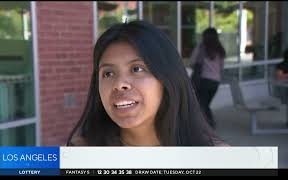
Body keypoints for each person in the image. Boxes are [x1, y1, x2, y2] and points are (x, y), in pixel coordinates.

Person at [67, 20, 225, 146]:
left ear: (167, 78)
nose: (119, 84)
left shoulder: (218, 159)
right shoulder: (79, 153)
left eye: (137, 69)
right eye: (108, 73)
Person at [190, 28, 225, 130]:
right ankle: (208, 124)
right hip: (215, 82)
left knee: (202, 104)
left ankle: (209, 124)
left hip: (204, 81)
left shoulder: (202, 48)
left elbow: (192, 61)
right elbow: (221, 67)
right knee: (205, 104)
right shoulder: (220, 49)